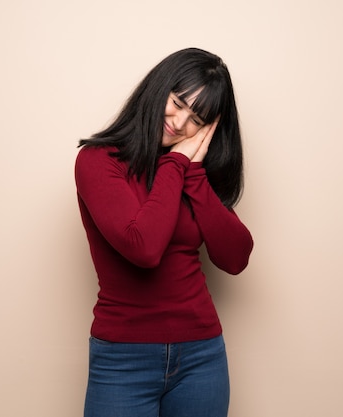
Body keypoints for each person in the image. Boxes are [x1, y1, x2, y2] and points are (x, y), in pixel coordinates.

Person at [74, 47, 254, 417]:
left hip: (201, 357)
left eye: (197, 118)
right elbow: (144, 247)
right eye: (177, 102)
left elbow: (235, 258)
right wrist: (177, 163)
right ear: (158, 89)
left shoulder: (192, 172)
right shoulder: (98, 161)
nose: (179, 121)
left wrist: (194, 173)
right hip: (122, 360)